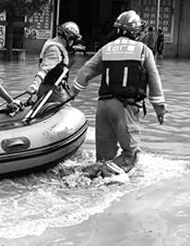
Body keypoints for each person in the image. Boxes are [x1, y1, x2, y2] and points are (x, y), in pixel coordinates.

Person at [69, 10, 166, 174]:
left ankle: (87, 175)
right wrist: (160, 109)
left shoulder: (106, 49)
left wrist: (72, 94)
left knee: (103, 158)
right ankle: (106, 175)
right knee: (130, 155)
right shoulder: (143, 51)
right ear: (136, 32)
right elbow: (154, 80)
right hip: (125, 108)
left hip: (103, 108)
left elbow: (85, 72)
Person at [26, 21, 82, 104]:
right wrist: (35, 84)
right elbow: (43, 70)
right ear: (66, 37)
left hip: (49, 89)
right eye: (72, 40)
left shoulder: (56, 45)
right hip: (52, 91)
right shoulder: (54, 50)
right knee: (66, 107)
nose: (72, 43)